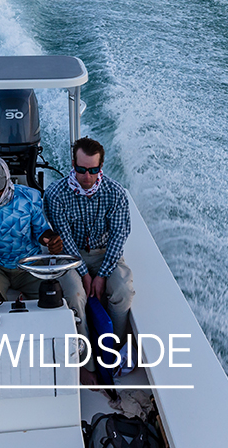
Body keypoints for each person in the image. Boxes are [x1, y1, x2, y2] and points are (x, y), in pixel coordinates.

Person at [44, 137, 135, 345]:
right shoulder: (55, 195)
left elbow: (119, 236)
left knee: (123, 291)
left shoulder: (116, 194)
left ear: (101, 166)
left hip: (106, 254)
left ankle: (115, 347)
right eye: (81, 169)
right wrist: (84, 274)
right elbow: (65, 240)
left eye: (93, 170)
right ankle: (86, 357)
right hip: (71, 255)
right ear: (73, 164)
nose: (87, 176)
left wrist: (101, 275)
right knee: (76, 295)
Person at [0, 156, 63, 302]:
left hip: (30, 264)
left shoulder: (29, 197)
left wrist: (50, 239)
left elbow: (41, 230)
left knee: (52, 299)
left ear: (7, 182)